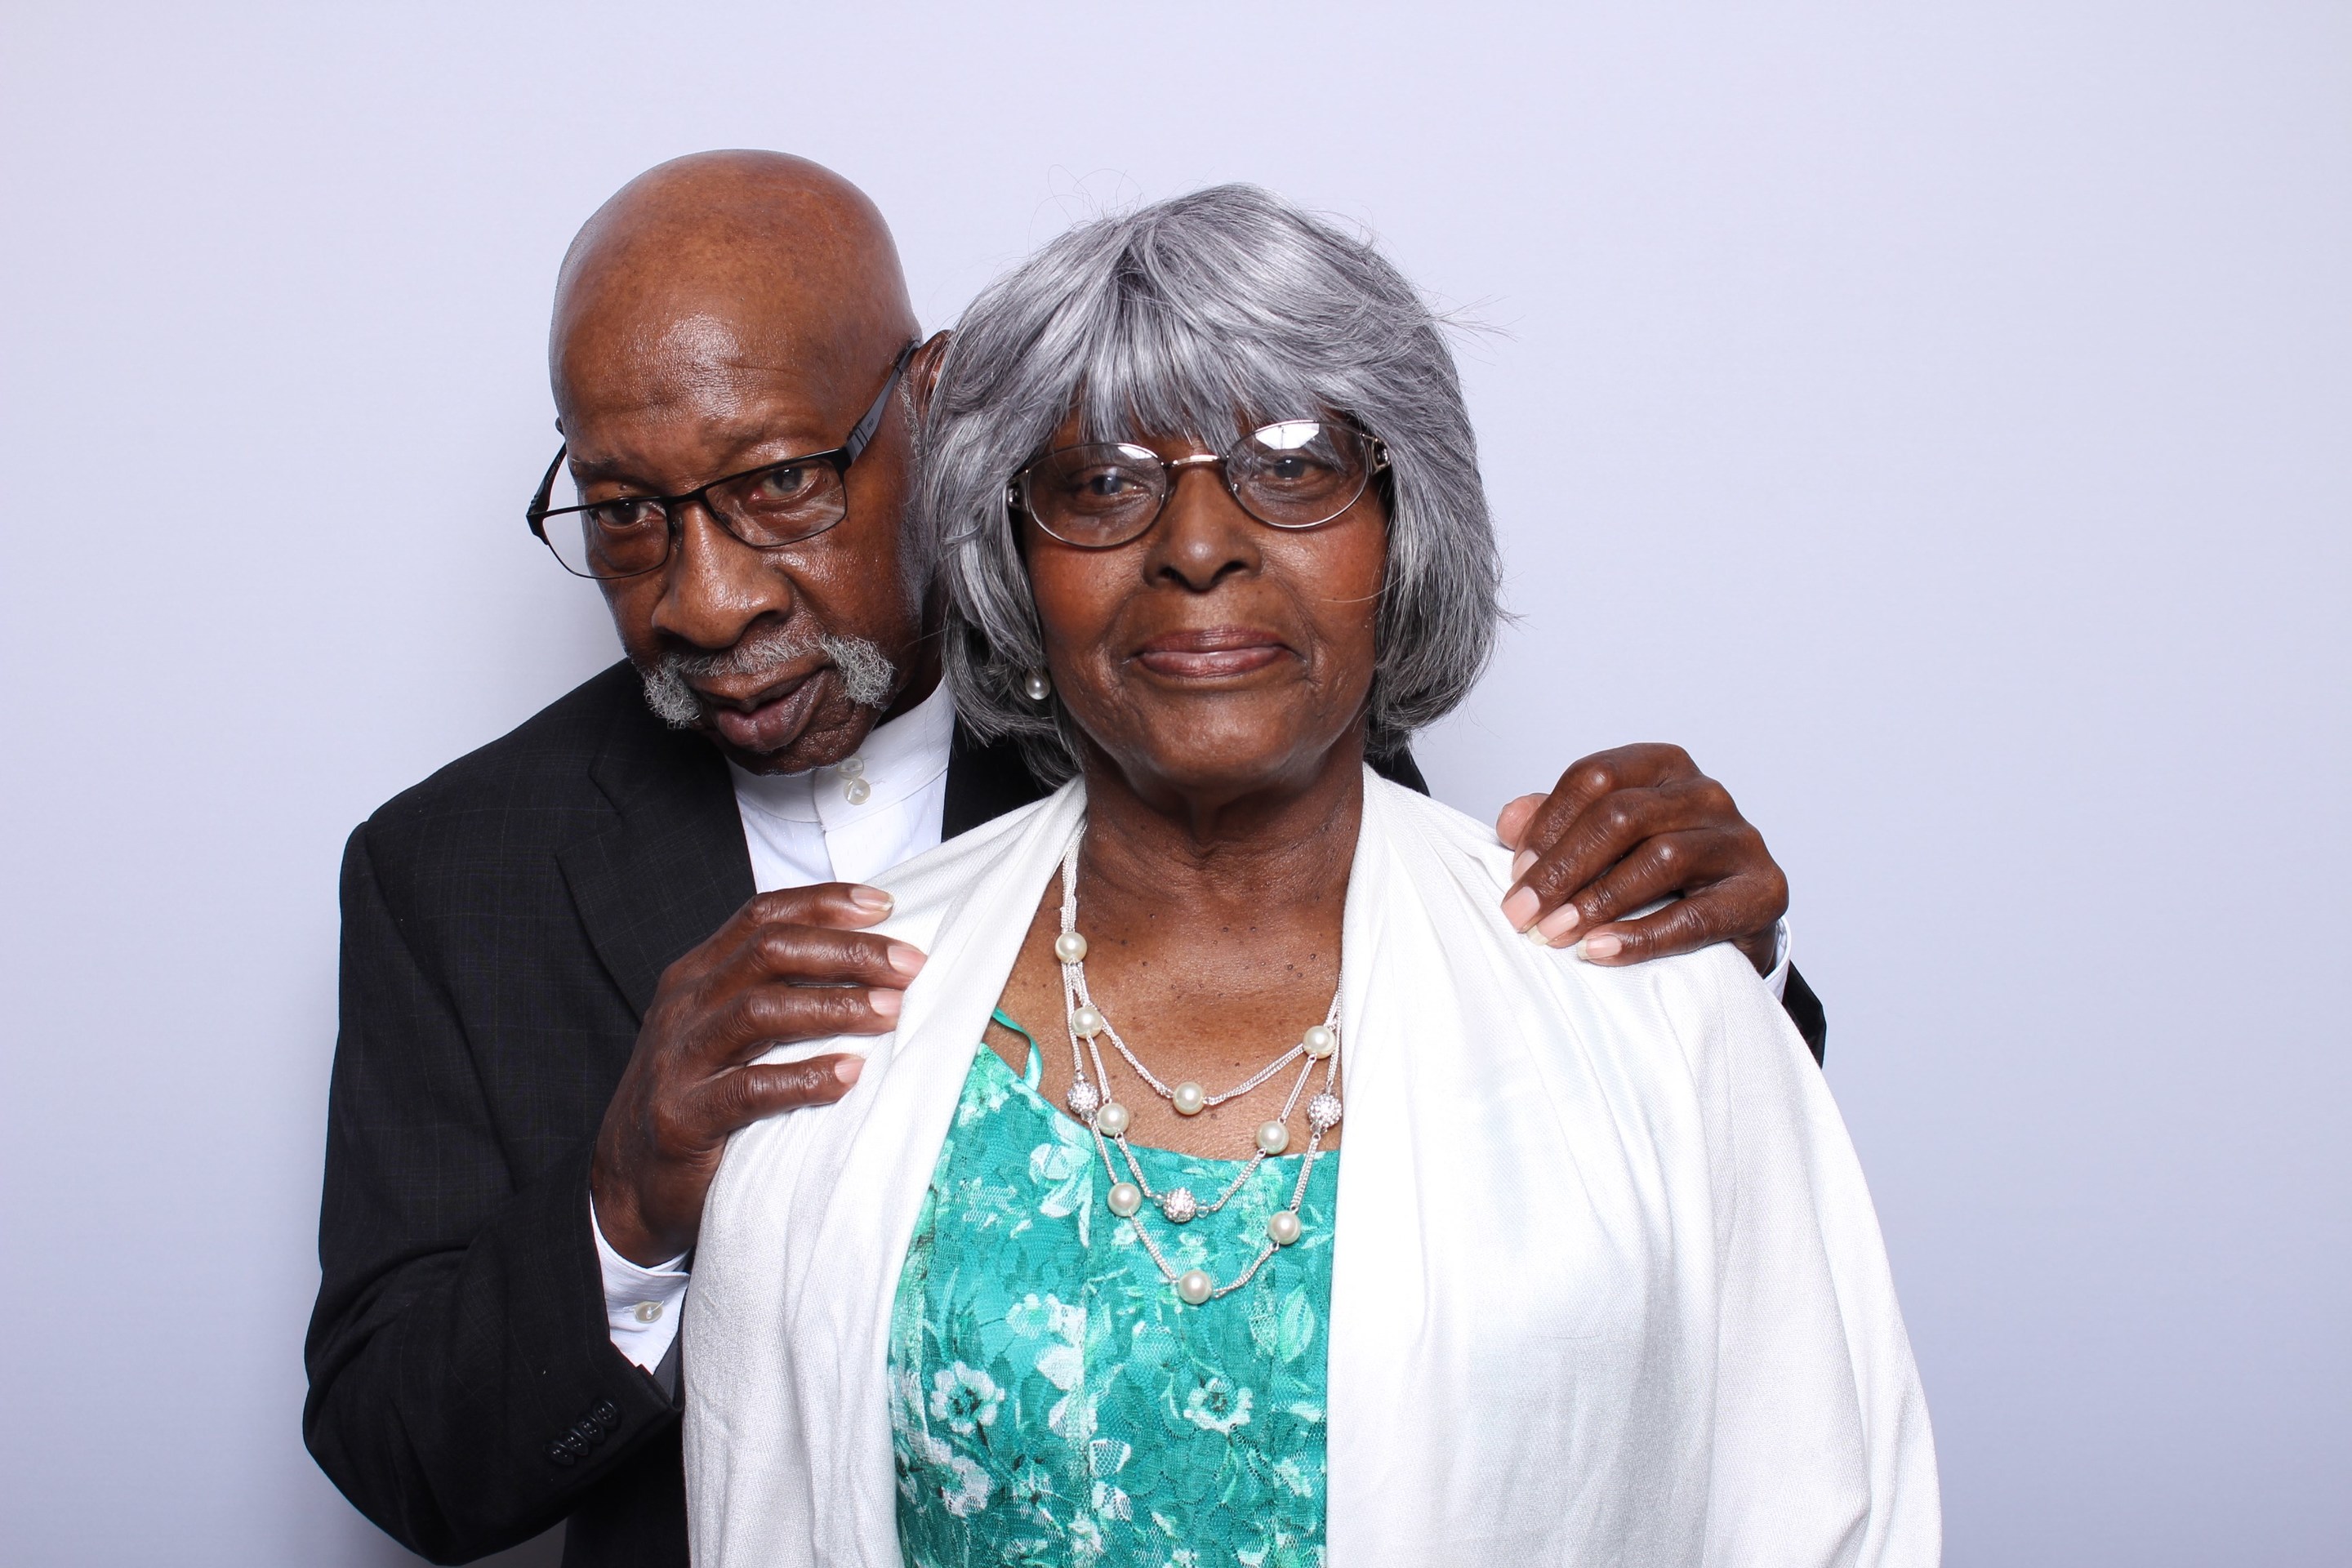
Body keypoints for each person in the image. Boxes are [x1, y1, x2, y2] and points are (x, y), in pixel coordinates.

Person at [305, 154, 1826, 1568]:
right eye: (630, 516)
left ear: (930, 405)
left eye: (778, 482)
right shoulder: (450, 873)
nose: (705, 602)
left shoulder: (1189, 698)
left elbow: (1579, 1147)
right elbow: (403, 1456)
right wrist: (623, 1208)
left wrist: (1713, 967)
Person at [683, 185, 1936, 1567]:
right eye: (1102, 482)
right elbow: (762, 1508)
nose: (1197, 546)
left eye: (1291, 465)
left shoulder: (1644, 994)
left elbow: (1817, 1512)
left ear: (1400, 534)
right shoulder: (834, 1013)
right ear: (1014, 567)